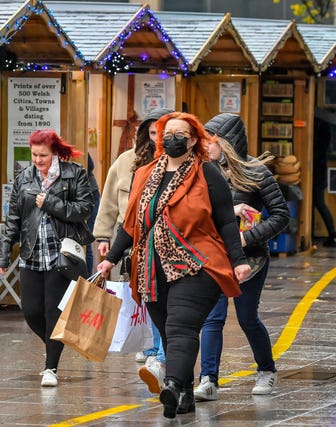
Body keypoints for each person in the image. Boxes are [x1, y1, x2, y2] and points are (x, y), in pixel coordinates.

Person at [97, 112, 251, 419]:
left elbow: (225, 222)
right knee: (171, 331)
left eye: (180, 134)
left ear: (194, 140)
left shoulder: (207, 174)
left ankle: (170, 384)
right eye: (167, 133)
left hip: (197, 263)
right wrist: (110, 259)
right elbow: (130, 225)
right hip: (151, 267)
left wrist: (239, 261)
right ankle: (184, 392)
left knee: (182, 326)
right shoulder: (145, 173)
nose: (172, 139)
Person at [194, 113, 290, 401]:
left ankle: (266, 370)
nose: (205, 146)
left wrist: (247, 237)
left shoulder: (257, 173)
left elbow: (282, 215)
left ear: (226, 143)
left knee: (248, 318)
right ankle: (208, 379)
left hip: (251, 259)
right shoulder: (203, 172)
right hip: (215, 256)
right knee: (213, 317)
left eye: (210, 141)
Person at [0, 129, 94, 387]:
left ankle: (51, 367)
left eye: (43, 155)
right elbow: (14, 218)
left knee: (53, 310)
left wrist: (51, 203)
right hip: (31, 253)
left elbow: (85, 209)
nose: (38, 160)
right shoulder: (24, 178)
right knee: (31, 311)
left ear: (54, 153)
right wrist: (4, 254)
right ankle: (55, 344)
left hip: (60, 255)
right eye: (34, 155)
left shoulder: (75, 174)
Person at [93, 108, 173, 394]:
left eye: (161, 132)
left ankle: (159, 357)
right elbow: (110, 201)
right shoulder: (126, 162)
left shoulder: (178, 163)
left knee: (161, 297)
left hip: (167, 242)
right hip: (131, 242)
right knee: (141, 294)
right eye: (151, 133)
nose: (156, 139)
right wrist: (103, 236)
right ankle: (150, 346)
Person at [313, 115, 336, 246]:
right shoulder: (323, 129)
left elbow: (319, 152)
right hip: (318, 175)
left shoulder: (322, 130)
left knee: (320, 203)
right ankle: (332, 234)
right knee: (319, 203)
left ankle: (332, 234)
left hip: (318, 175)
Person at [85, 153, 101, 273]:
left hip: (90, 195)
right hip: (89, 194)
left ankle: (85, 283)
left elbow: (89, 165)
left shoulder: (76, 139)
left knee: (85, 241)